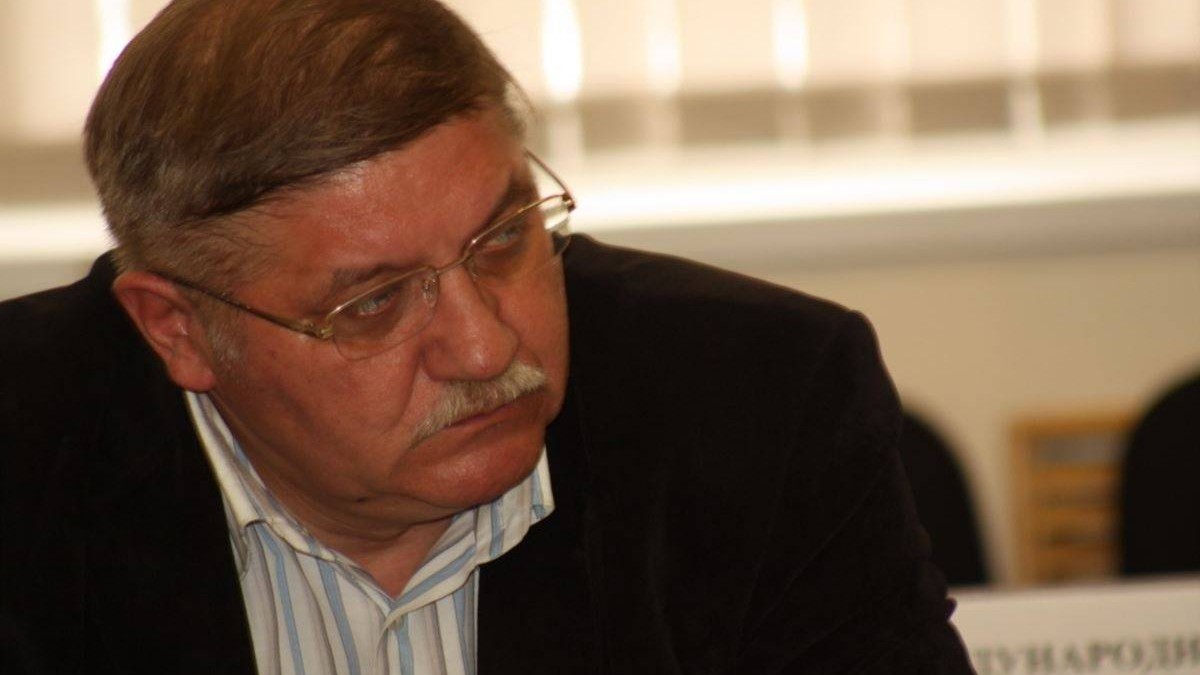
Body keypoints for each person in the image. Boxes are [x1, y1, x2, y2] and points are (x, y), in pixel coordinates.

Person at [0, 1, 975, 673]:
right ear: (177, 329)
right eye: (374, 303)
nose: (485, 348)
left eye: (503, 239)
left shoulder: (761, 402)